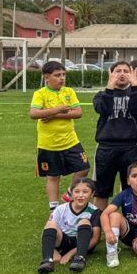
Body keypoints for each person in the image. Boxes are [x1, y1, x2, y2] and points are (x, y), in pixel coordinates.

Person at [29, 60, 89, 210]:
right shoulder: (40, 94)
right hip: (48, 143)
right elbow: (34, 113)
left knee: (84, 167)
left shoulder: (69, 92)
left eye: (63, 74)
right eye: (57, 75)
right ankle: (54, 209)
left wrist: (54, 114)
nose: (62, 78)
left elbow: (78, 112)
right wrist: (58, 109)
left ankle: (69, 193)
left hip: (70, 141)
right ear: (46, 78)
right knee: (53, 176)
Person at [92, 61, 137, 208]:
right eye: (118, 71)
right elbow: (104, 109)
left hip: (131, 147)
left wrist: (135, 87)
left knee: (132, 188)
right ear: (110, 74)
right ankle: (101, 225)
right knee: (102, 190)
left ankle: (130, 224)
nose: (122, 74)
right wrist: (109, 88)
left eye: (126, 71)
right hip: (106, 147)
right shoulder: (101, 95)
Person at [37, 177, 101, 274]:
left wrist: (71, 254)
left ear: (92, 194)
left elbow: (95, 239)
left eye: (85, 192)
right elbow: (48, 231)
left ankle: (80, 258)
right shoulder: (60, 209)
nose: (80, 195)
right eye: (77, 191)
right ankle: (47, 260)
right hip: (64, 241)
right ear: (71, 193)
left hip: (82, 244)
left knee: (84, 221)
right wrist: (54, 252)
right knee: (51, 223)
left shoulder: (95, 211)